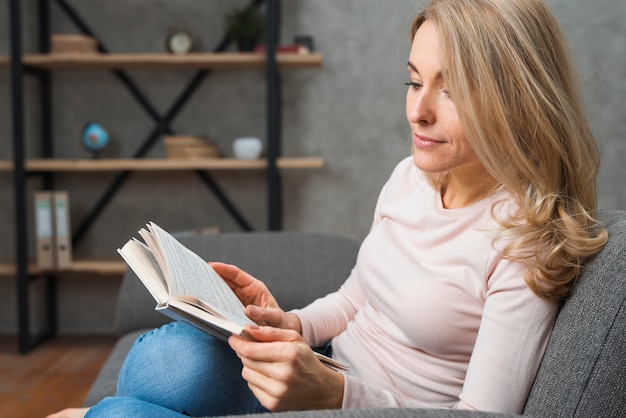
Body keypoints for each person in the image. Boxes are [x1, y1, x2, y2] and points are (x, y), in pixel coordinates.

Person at [48, 0, 608, 416]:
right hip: (320, 377)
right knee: (166, 359)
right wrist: (288, 323)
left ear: (518, 98)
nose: (418, 112)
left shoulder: (525, 241)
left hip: (348, 404)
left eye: (452, 89)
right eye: (413, 82)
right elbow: (355, 297)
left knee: (122, 410)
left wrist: (337, 394)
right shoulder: (411, 176)